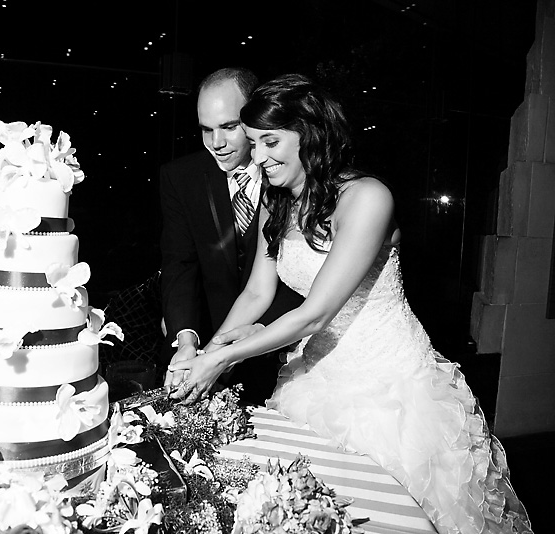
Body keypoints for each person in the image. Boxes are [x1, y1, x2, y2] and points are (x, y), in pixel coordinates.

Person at [167, 73, 533, 534]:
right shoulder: (276, 202)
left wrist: (221, 360)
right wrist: (207, 351)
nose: (256, 157)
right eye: (254, 143)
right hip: (317, 377)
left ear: (310, 134)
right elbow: (257, 293)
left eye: (270, 142)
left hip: (393, 389)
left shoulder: (368, 198)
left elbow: (315, 313)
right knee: (313, 509)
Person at [159, 67, 304, 404]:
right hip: (209, 344)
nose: (217, 143)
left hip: (286, 346)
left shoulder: (287, 176)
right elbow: (179, 264)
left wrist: (256, 333)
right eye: (206, 130)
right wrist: (187, 339)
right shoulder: (180, 177)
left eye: (228, 127)